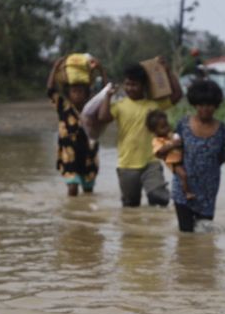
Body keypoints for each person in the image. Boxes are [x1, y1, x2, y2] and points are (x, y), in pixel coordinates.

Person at [160, 78, 225, 233]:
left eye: (209, 105)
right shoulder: (183, 125)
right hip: (183, 189)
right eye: (201, 105)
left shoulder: (222, 130)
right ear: (195, 104)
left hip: (208, 190)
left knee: (204, 233)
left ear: (216, 106)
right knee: (186, 233)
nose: (205, 109)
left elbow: (221, 158)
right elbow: (174, 151)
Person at [97, 59, 183, 207]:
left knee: (159, 198)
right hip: (127, 164)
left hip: (152, 162)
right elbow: (103, 117)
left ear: (143, 86)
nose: (130, 88)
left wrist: (168, 73)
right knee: (131, 206)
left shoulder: (154, 105)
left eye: (134, 84)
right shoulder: (119, 105)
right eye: (127, 84)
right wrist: (107, 96)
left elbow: (177, 95)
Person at [47, 55, 102, 196]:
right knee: (72, 188)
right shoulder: (63, 107)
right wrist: (55, 68)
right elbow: (50, 90)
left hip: (88, 155)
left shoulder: (92, 107)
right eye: (74, 91)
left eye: (80, 91)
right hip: (69, 155)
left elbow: (106, 92)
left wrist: (100, 69)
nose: (77, 94)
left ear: (86, 93)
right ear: (69, 93)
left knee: (88, 191)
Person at [147, 110, 190, 200]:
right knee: (183, 175)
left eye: (167, 125)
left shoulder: (171, 135)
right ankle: (187, 192)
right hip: (174, 162)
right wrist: (172, 144)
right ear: (154, 131)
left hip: (182, 158)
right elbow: (159, 152)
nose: (167, 128)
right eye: (163, 127)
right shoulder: (157, 140)